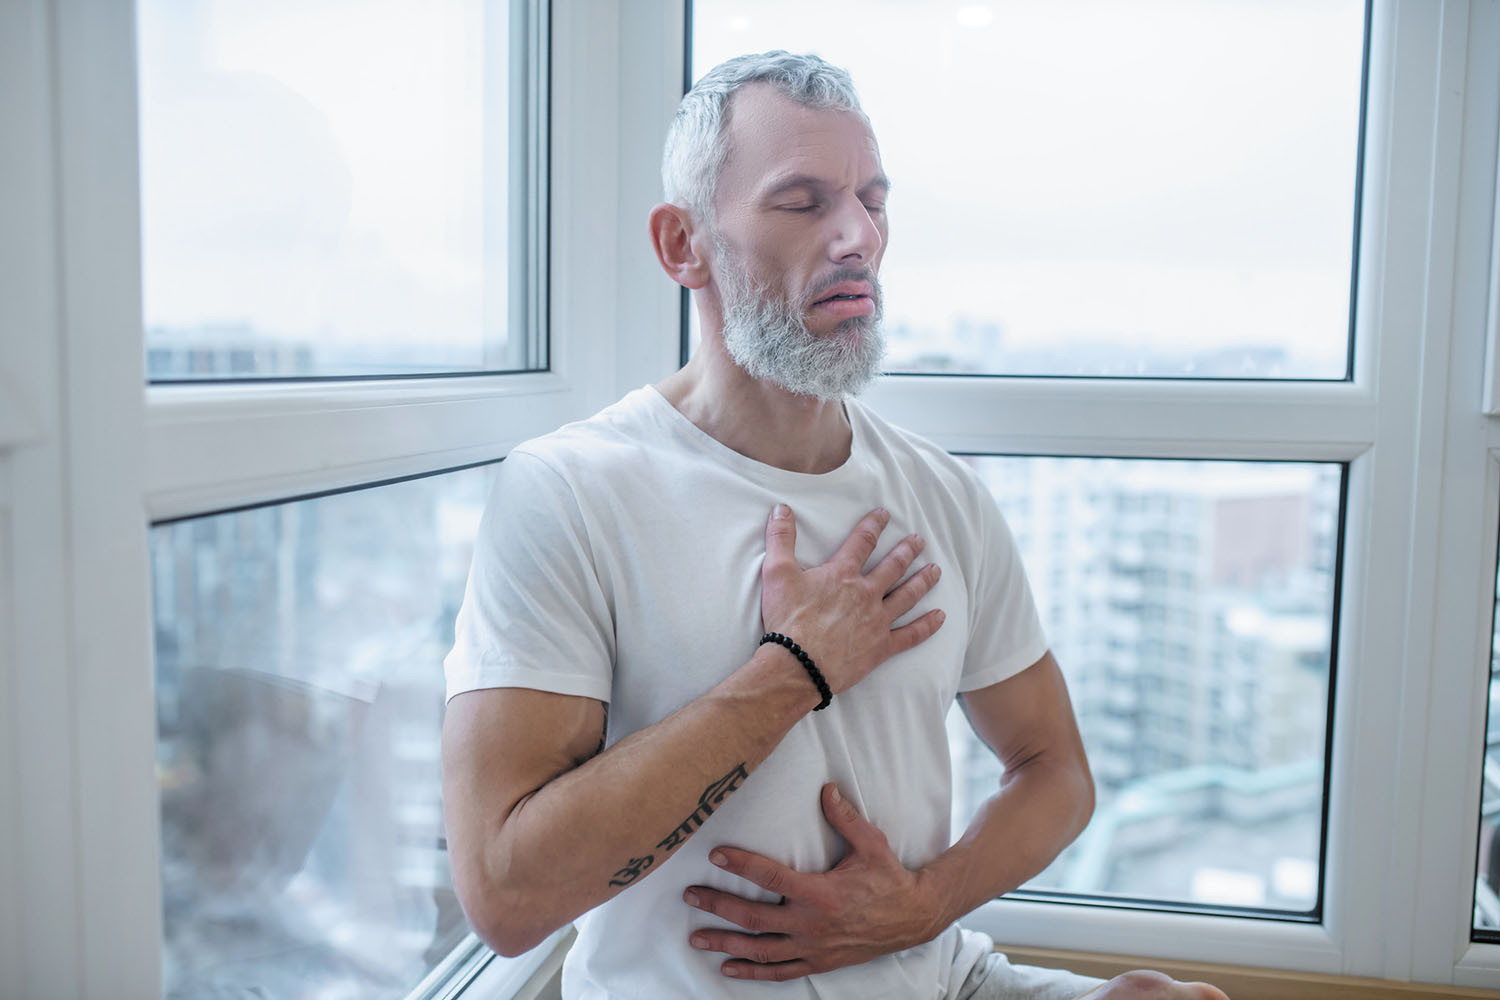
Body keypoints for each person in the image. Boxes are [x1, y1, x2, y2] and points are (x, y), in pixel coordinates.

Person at [442, 51, 1229, 1000]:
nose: (857, 235)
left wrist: (919, 908)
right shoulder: (569, 491)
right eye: (804, 201)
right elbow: (506, 897)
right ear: (682, 245)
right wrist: (795, 671)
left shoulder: (941, 493)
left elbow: (1055, 771)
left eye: (872, 200)